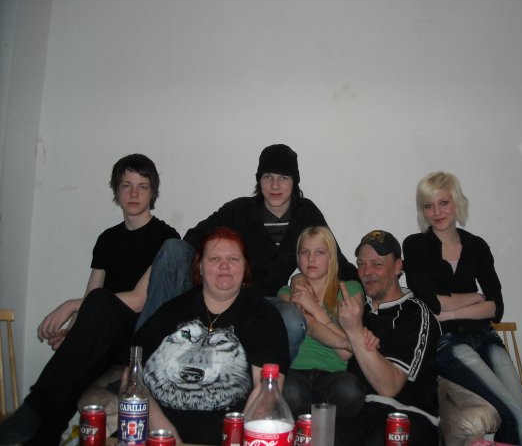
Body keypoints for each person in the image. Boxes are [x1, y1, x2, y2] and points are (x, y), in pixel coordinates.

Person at [0, 154, 179, 445]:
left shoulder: (166, 237)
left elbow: (137, 300)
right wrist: (73, 334)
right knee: (75, 366)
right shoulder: (107, 239)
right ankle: (40, 436)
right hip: (103, 334)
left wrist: (71, 306)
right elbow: (92, 297)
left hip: (136, 338)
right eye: (126, 185)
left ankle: (32, 409)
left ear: (153, 192)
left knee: (98, 307)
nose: (134, 194)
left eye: (142, 186)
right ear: (116, 190)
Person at [124, 144, 357, 359]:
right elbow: (192, 240)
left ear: (294, 182)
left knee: (293, 321)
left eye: (283, 178)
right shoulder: (239, 210)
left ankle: (271, 383)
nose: (275, 185)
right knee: (173, 247)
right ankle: (138, 359)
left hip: (271, 303)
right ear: (259, 180)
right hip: (227, 296)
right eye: (268, 177)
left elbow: (336, 260)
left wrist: (364, 298)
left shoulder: (306, 213)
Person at [402, 171, 522, 446]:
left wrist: (451, 312)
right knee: (512, 412)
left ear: (457, 203)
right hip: (448, 343)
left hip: (487, 338)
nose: (437, 212)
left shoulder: (477, 246)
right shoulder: (415, 245)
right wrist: (475, 297)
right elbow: (431, 303)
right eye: (428, 206)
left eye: (443, 203)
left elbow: (496, 307)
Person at [128, 226, 290, 444]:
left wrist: (234, 439)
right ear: (200, 267)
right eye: (214, 259)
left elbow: (266, 394)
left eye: (233, 259)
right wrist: (165, 434)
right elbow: (131, 377)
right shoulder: (171, 311)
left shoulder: (263, 317)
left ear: (244, 267)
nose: (224, 265)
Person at [335, 230, 441, 446]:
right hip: (357, 414)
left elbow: (389, 386)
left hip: (406, 416)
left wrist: (354, 331)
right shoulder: (356, 310)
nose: (366, 272)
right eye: (361, 264)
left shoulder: (415, 313)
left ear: (398, 267)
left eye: (377, 264)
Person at [278, 226, 366, 419]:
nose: (311, 259)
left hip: (332, 375)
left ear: (331, 257)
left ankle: (313, 419)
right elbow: (309, 326)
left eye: (319, 252)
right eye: (305, 252)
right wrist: (346, 341)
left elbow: (345, 353)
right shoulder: (286, 293)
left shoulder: (350, 290)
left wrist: (313, 306)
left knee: (350, 389)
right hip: (295, 370)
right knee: (288, 389)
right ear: (297, 257)